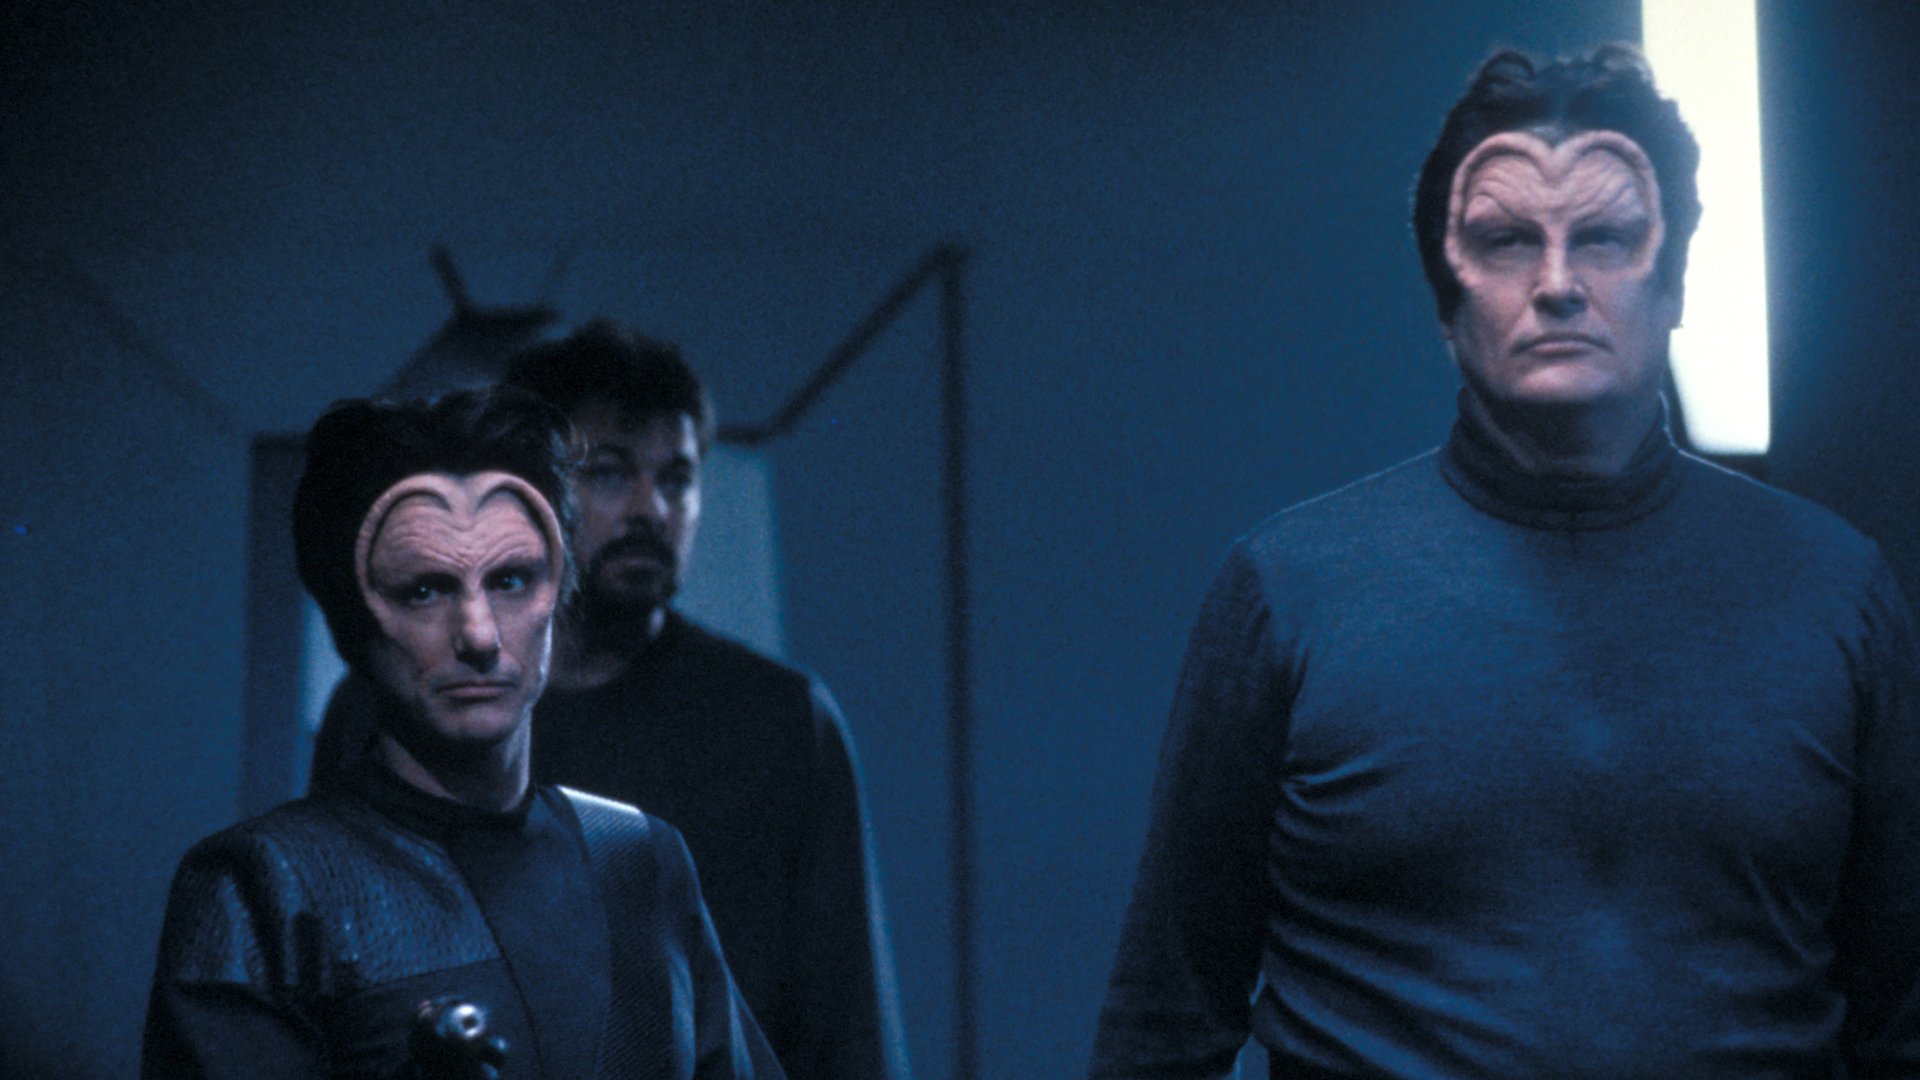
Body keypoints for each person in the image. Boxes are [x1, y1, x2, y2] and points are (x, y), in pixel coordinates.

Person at [1088, 44, 1920, 1080]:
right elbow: (1164, 1026)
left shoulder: (1836, 590)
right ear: (1448, 302)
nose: (1558, 284)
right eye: (1507, 238)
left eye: (1605, 236)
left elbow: (1904, 1025)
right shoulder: (1291, 591)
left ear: (1674, 282)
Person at [311, 324, 909, 1080]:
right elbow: (332, 985)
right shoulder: (395, 709)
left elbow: (848, 1023)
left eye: (676, 480)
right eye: (609, 473)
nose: (649, 509)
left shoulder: (780, 719)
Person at [145, 388, 784, 1080]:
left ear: (557, 594)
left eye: (511, 580)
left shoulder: (638, 860)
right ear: (354, 619)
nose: (479, 635)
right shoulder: (264, 891)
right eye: (425, 589)